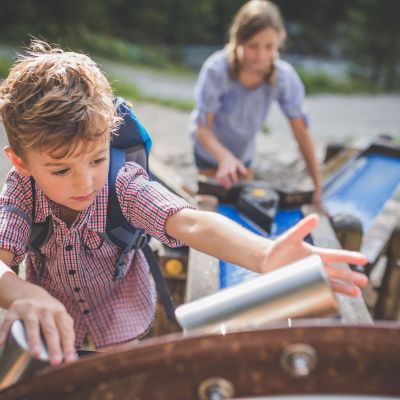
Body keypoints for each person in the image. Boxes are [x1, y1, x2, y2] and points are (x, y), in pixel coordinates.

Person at [0, 40, 367, 366]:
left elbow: (190, 222)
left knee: (120, 378)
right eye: (61, 170)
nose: (84, 183)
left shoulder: (122, 184)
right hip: (48, 317)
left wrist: (264, 255)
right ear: (21, 162)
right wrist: (22, 292)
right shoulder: (21, 190)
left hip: (121, 313)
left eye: (96, 159)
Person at [191, 0, 322, 204]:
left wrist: (318, 186)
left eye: (269, 46)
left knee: (242, 208)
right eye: (253, 46)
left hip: (244, 157)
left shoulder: (283, 77)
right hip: (209, 153)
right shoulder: (216, 70)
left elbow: (301, 131)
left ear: (279, 42)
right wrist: (224, 158)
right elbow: (202, 129)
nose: (261, 56)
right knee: (210, 205)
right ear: (238, 40)